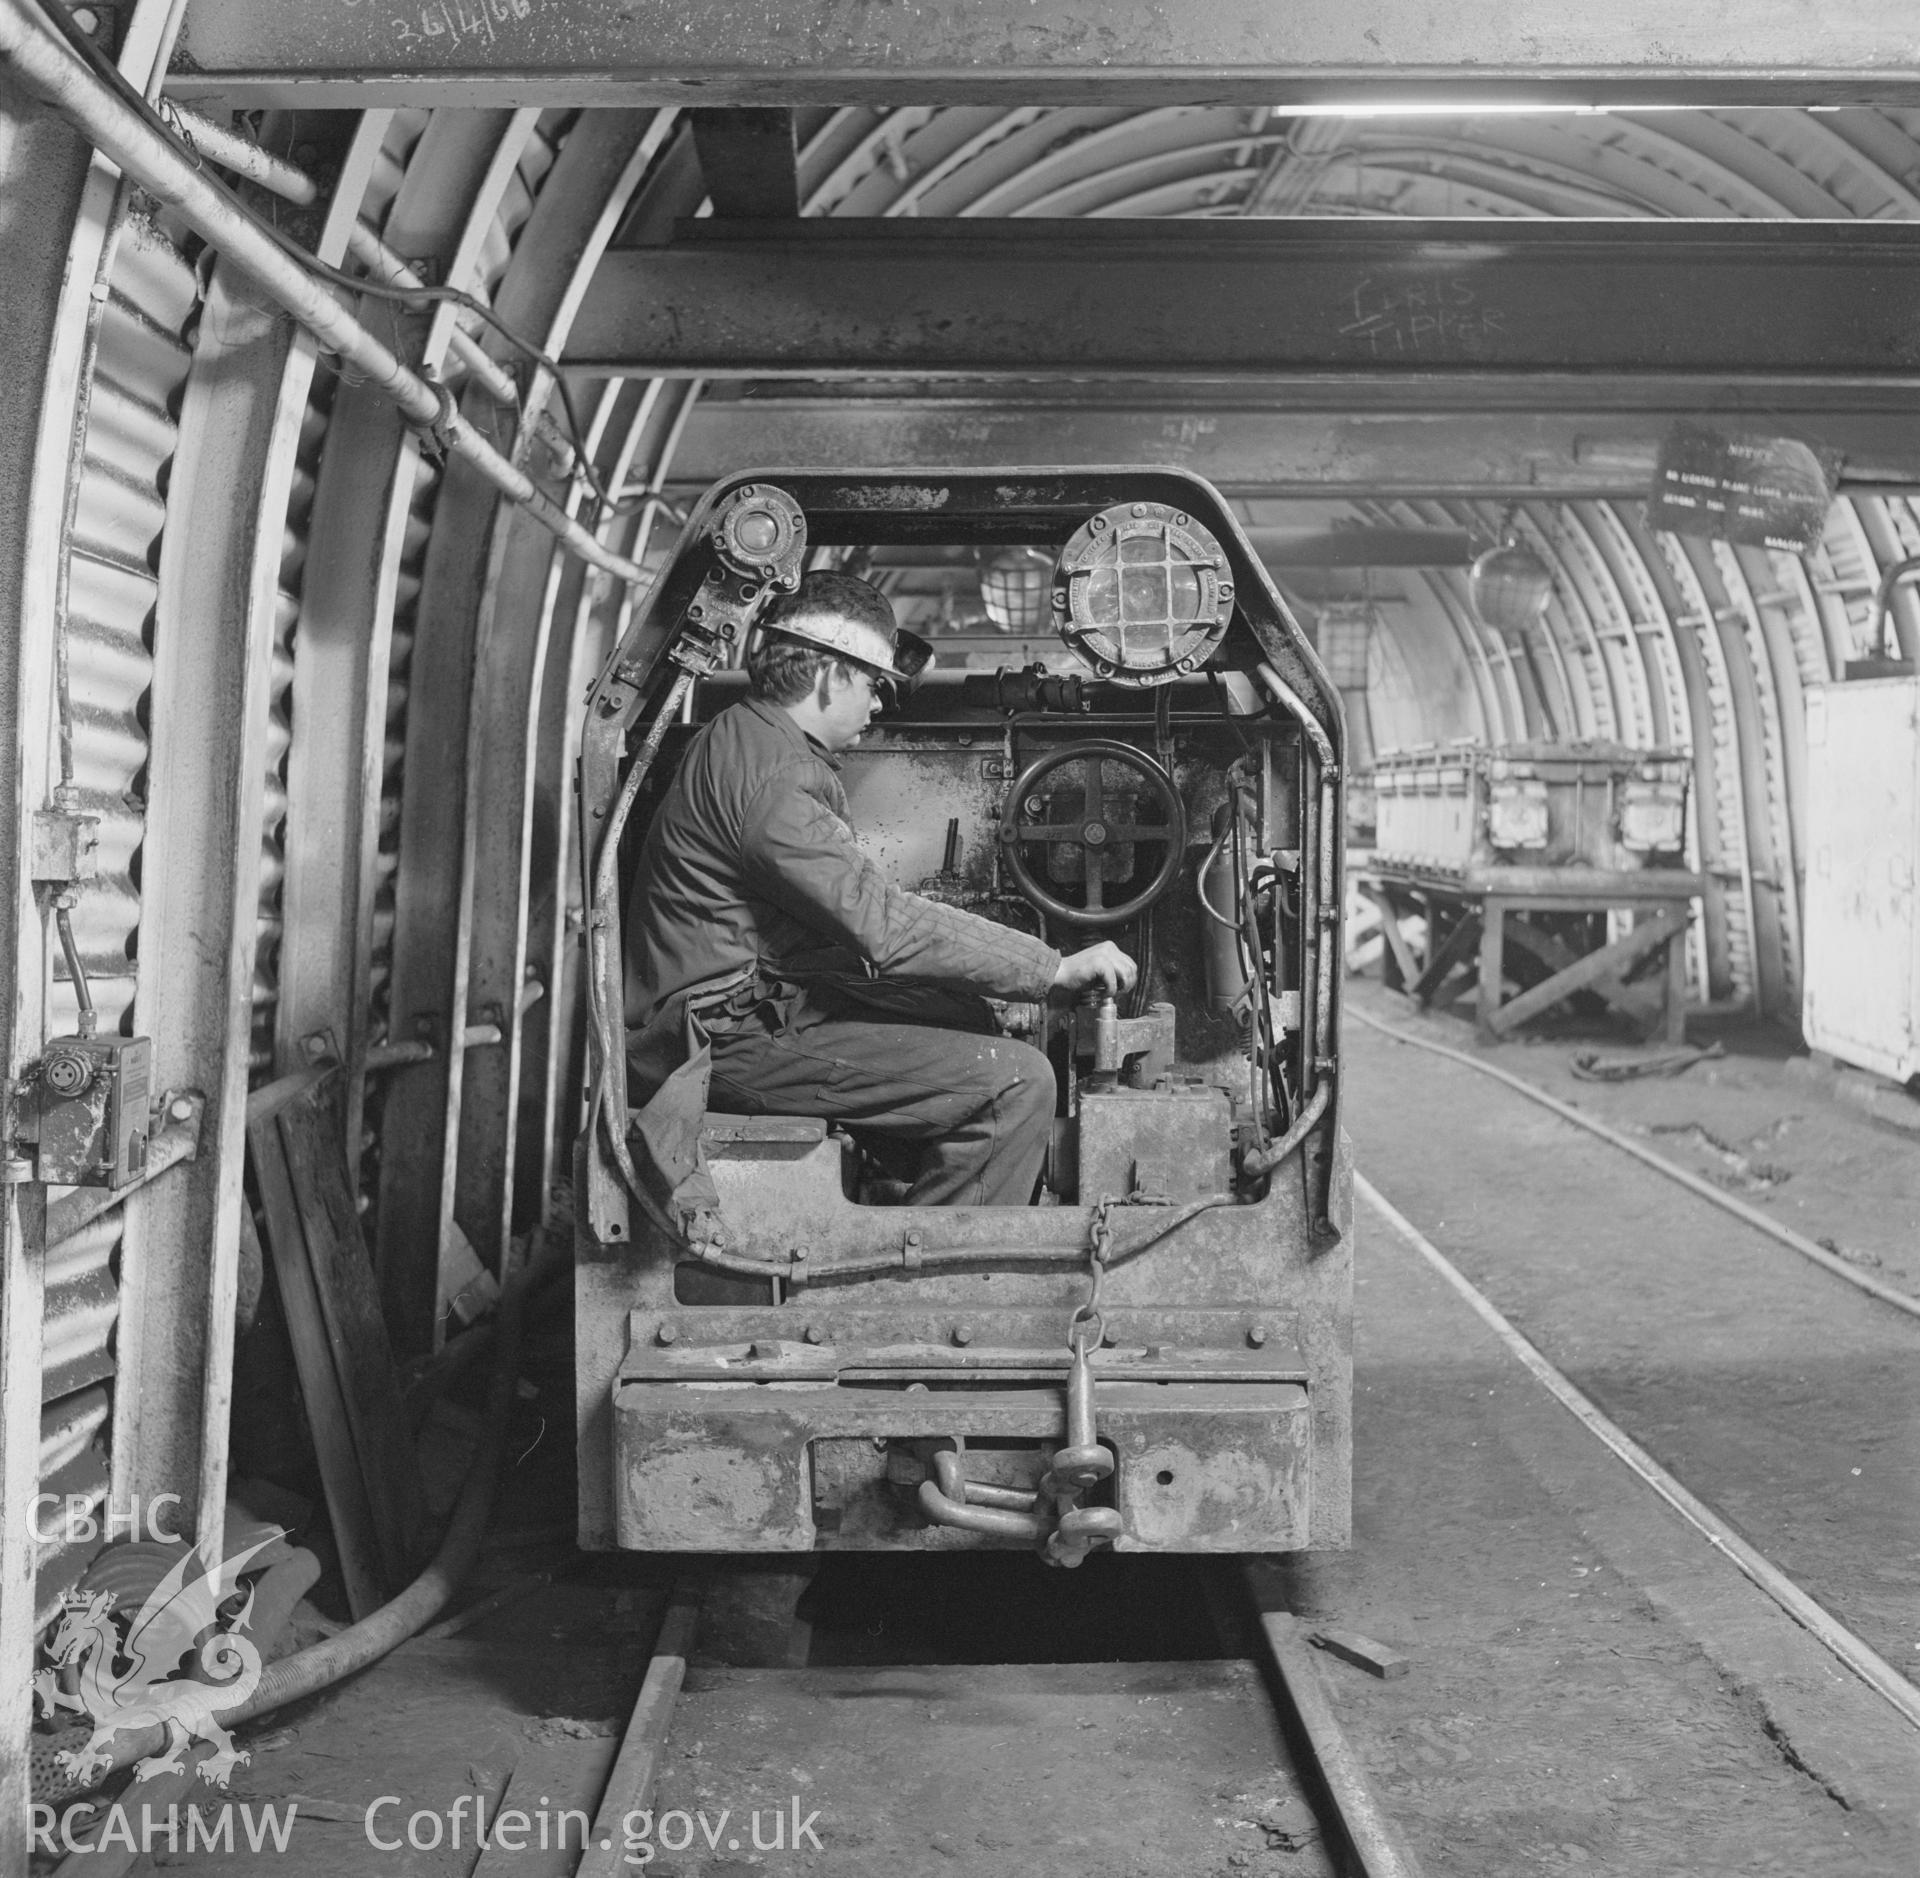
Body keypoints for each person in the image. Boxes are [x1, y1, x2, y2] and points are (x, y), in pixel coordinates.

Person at [624, 570, 1135, 1210]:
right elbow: (884, 927)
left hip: (732, 1009)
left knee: (965, 1014)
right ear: (833, 675)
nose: (877, 705)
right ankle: (930, 1290)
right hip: (717, 1040)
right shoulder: (777, 779)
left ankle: (906, 1198)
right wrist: (1051, 967)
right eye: (872, 685)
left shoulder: (743, 736)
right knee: (1017, 1081)